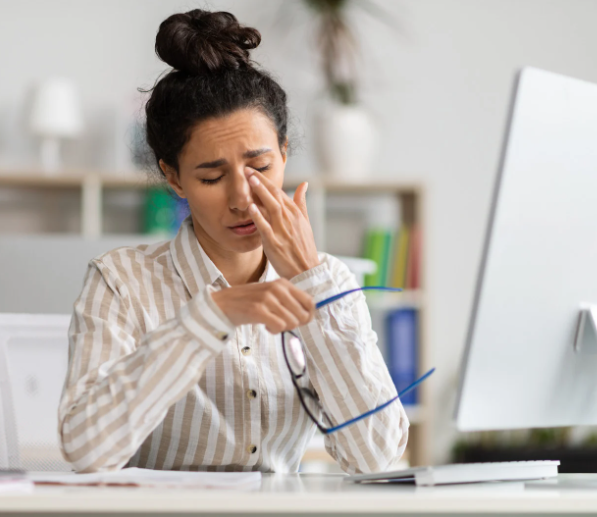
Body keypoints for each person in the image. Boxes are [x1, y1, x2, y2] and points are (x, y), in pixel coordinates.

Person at [58, 8, 408, 474]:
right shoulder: (121, 281)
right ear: (174, 178)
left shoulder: (331, 280)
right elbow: (85, 451)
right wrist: (211, 315)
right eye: (211, 177)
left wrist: (313, 283)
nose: (243, 200)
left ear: (284, 154)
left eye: (261, 168)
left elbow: (376, 459)